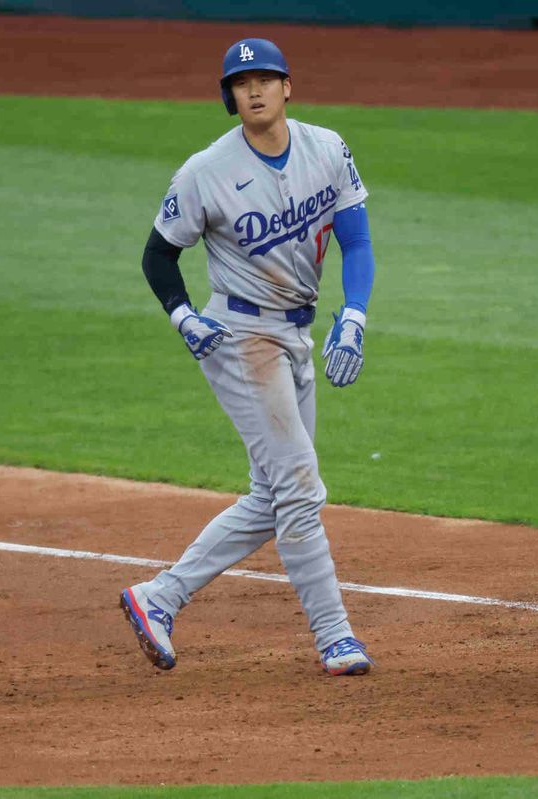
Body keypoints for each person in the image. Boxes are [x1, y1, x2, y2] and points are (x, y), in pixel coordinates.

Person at [119, 38, 377, 676]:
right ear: (228, 97)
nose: (254, 90)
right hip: (238, 337)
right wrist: (183, 316)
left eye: (265, 78)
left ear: (288, 86)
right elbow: (158, 254)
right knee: (297, 488)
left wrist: (354, 316)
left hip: (298, 333)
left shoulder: (328, 148)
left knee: (274, 493)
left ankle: (158, 597)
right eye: (241, 83)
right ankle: (335, 637)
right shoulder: (205, 170)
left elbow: (357, 239)